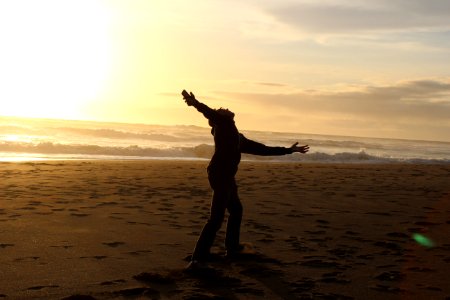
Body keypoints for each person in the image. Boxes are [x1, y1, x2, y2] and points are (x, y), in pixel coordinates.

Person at [181, 90, 309, 269]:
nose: (224, 108)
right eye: (221, 110)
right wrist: (194, 102)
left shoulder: (236, 137)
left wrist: (289, 150)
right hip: (220, 175)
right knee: (216, 219)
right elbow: (208, 112)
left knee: (236, 210)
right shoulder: (223, 125)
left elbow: (263, 149)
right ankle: (198, 259)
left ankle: (232, 248)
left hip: (226, 177)